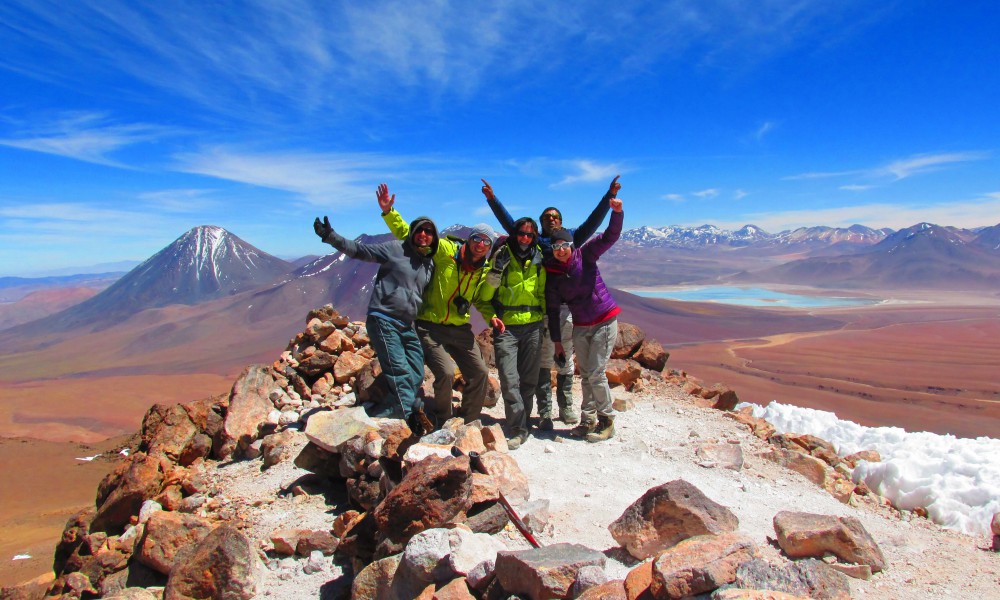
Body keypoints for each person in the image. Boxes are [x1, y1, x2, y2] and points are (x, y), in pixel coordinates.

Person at [481, 176, 620, 429]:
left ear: (562, 221)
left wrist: (608, 197)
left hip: (566, 310)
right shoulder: (536, 241)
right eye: (546, 217)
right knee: (544, 360)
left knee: (565, 358)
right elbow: (513, 225)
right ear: (541, 224)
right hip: (542, 309)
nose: (552, 219)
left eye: (555, 216)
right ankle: (545, 411)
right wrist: (493, 200)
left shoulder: (573, 238)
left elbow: (593, 221)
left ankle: (566, 406)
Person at [313, 183, 437, 423]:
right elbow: (360, 251)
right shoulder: (395, 249)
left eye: (429, 231)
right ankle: (412, 418)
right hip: (383, 319)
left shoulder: (429, 264)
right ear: (412, 232)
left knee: (416, 371)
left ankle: (392, 406)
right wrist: (331, 237)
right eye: (420, 230)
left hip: (406, 324)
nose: (424, 234)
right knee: (398, 368)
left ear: (434, 237)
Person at [378, 188, 497, 427]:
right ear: (470, 239)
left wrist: (491, 316)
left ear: (489, 246)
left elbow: (480, 300)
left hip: (460, 328)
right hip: (430, 327)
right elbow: (413, 238)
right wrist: (389, 212)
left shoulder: (483, 270)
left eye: (486, 241)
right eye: (477, 238)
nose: (481, 244)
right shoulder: (445, 251)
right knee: (445, 373)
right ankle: (444, 421)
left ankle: (468, 421)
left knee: (480, 373)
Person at [543, 194, 624, 443]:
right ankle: (587, 420)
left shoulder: (586, 254)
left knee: (596, 373)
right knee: (586, 374)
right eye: (555, 247)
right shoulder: (554, 276)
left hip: (603, 320)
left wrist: (617, 213)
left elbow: (609, 236)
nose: (560, 250)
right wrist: (557, 342)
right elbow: (554, 310)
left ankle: (606, 420)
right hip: (580, 325)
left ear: (571, 244)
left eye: (564, 245)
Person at [477, 217, 546, 450]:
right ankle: (517, 428)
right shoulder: (502, 256)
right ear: (515, 234)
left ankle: (523, 422)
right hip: (507, 327)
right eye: (522, 234)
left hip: (534, 325)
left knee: (529, 380)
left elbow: (545, 291)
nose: (525, 238)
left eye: (530, 235)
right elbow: (484, 297)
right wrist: (496, 270)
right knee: (509, 378)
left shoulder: (540, 257)